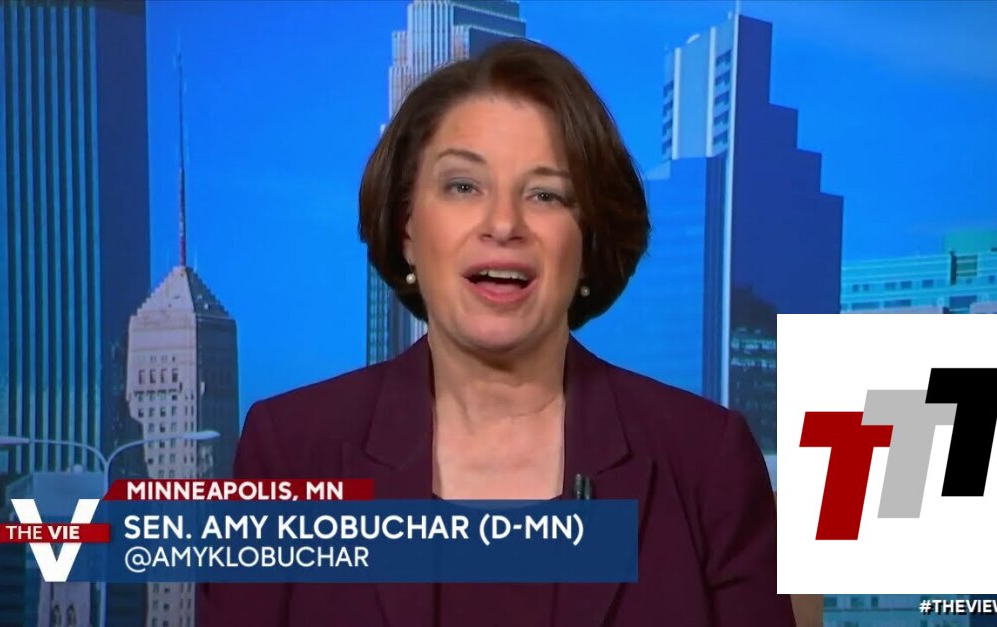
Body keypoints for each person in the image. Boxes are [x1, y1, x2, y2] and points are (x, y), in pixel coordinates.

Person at [198, 38, 795, 626]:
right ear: (407, 229)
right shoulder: (291, 452)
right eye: (463, 187)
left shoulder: (703, 460)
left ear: (588, 243)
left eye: (545, 194)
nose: (504, 224)